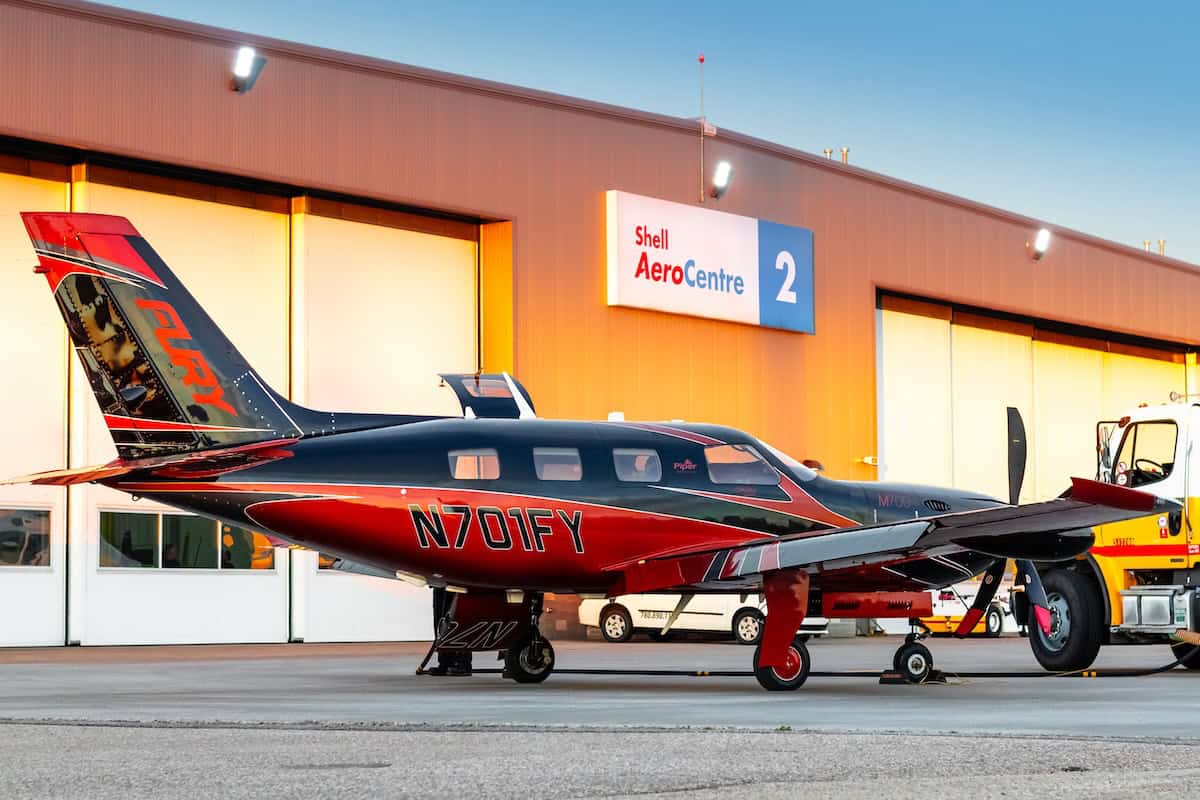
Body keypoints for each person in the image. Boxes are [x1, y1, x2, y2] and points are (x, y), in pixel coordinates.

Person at [427, 586, 473, 676]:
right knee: (440, 619)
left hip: (457, 579)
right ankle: (445, 662)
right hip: (439, 579)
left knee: (457, 617)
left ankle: (462, 662)